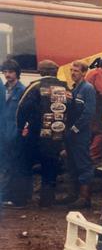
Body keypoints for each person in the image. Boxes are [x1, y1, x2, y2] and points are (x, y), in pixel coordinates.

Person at [16, 60, 71, 207]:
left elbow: (22, 108)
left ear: (41, 71)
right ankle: (47, 200)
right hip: (56, 136)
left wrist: (20, 128)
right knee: (50, 166)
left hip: (34, 135)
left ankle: (22, 199)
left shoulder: (34, 87)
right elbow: (75, 108)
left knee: (25, 165)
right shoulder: (65, 88)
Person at [59, 61, 96, 209]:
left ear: (84, 72)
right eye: (71, 70)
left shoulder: (88, 89)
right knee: (72, 163)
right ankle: (72, 195)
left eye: (76, 70)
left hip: (81, 134)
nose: (73, 73)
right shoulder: (74, 89)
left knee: (83, 164)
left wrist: (75, 129)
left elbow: (89, 113)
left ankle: (84, 198)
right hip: (70, 134)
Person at [1, 59, 27, 208]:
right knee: (4, 165)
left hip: (15, 132)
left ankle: (12, 197)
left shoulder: (22, 90)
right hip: (3, 132)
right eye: (5, 72)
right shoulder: (2, 89)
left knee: (13, 165)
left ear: (17, 73)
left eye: (10, 72)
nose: (7, 75)